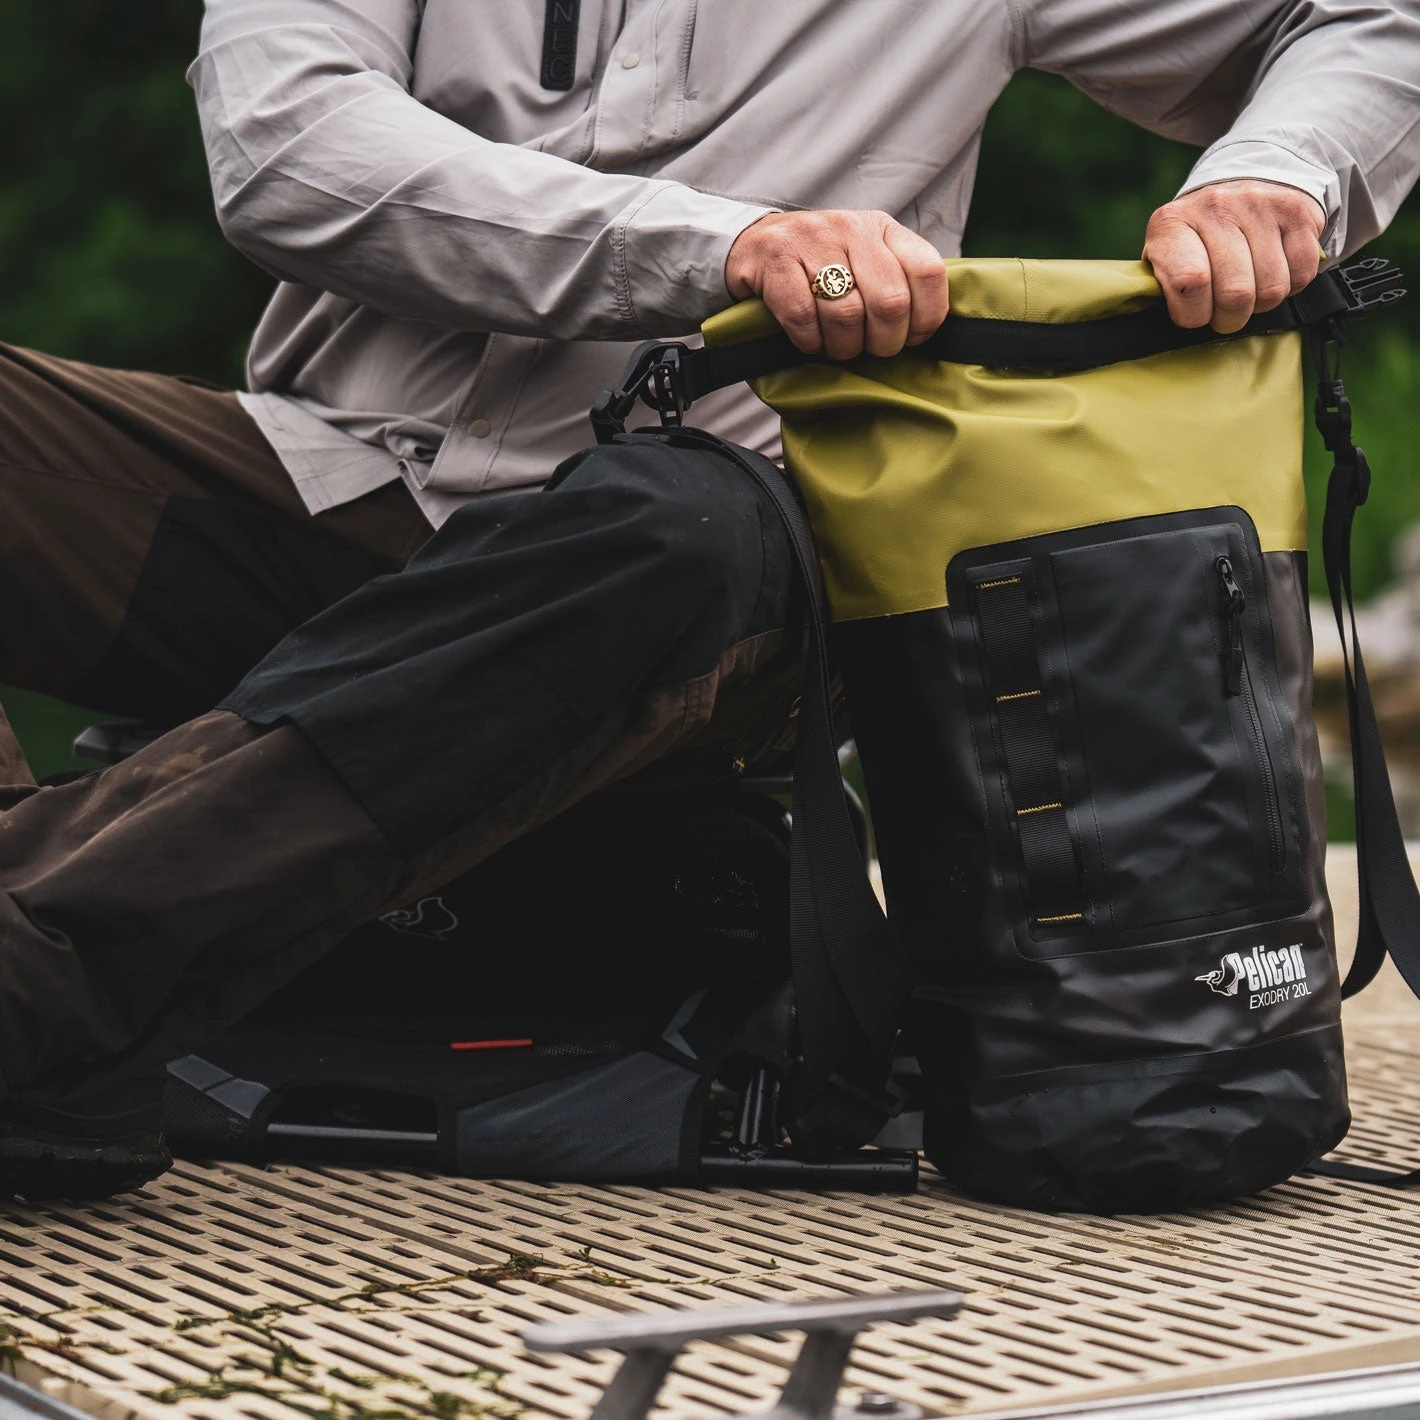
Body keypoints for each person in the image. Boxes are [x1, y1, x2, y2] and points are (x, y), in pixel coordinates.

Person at [0, 0, 1416, 1200]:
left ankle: (47, 988)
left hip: (730, 563)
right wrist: (729, 250)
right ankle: (47, 957)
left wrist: (1279, 175)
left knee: (669, 524)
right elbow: (286, 147)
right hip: (330, 479)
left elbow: (1363, 20)